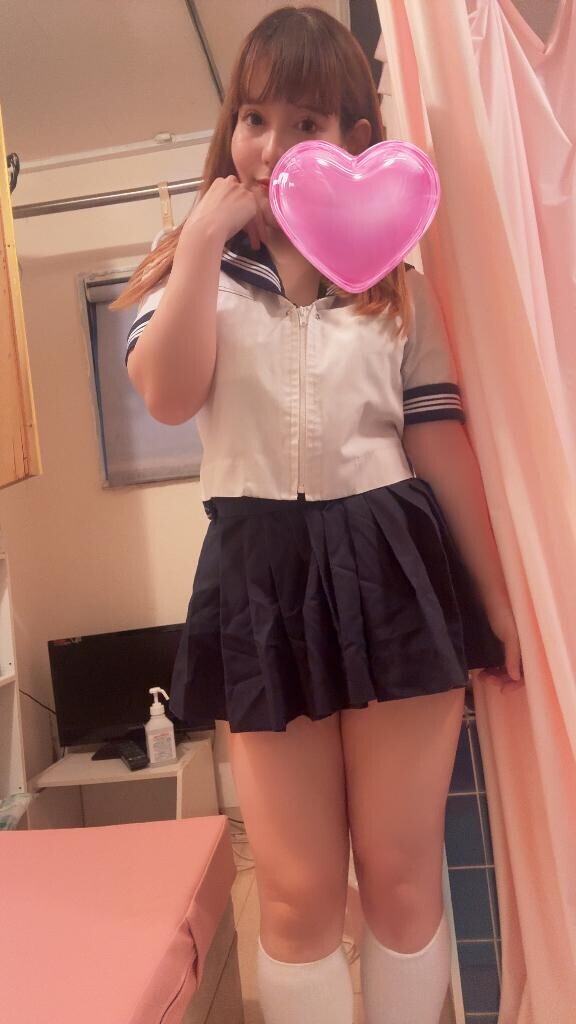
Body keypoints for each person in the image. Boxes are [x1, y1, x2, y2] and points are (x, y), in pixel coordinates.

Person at [111, 7, 523, 1023]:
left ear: (353, 138)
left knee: (399, 876)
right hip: (261, 575)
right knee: (296, 895)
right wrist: (201, 240)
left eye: (305, 122)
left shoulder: (398, 288)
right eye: (255, 118)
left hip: (390, 564)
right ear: (230, 127)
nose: (271, 145)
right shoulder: (192, 269)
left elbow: (438, 443)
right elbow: (169, 394)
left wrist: (496, 602)